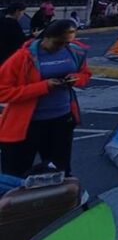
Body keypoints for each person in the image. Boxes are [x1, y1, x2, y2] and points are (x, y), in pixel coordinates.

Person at [0, 19, 91, 177]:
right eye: (57, 43)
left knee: (59, 172)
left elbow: (85, 74)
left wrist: (76, 79)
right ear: (46, 37)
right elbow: (3, 92)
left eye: (65, 43)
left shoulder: (74, 51)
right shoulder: (22, 57)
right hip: (28, 124)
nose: (61, 47)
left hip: (62, 121)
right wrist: (43, 87)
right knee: (16, 174)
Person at [0, 3, 28, 68]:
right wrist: (33, 35)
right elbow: (21, 41)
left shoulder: (1, 21)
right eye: (23, 13)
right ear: (17, 11)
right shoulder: (14, 24)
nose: (22, 15)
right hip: (9, 57)